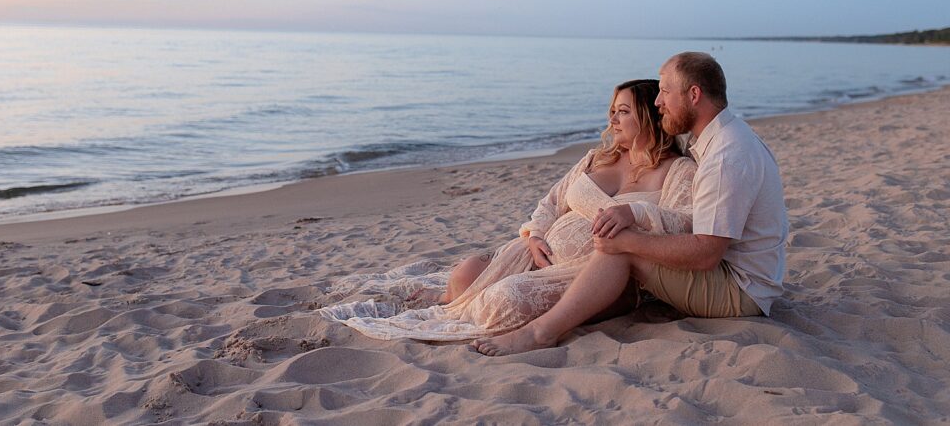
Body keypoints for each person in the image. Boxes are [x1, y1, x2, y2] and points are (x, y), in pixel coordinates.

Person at [319, 79, 697, 342]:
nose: (611, 120)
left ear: (648, 116)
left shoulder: (677, 171)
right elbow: (550, 203)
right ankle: (450, 301)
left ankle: (494, 314)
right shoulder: (598, 158)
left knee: (505, 302)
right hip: (538, 253)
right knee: (466, 271)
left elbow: (687, 222)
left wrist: (637, 214)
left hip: (590, 273)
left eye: (623, 112)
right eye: (612, 111)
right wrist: (533, 236)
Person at [473, 52, 788, 356]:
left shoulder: (724, 156)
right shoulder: (724, 139)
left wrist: (630, 238)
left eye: (665, 91)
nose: (658, 101)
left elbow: (706, 254)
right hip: (738, 276)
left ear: (693, 95)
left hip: (739, 290)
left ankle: (541, 333)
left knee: (619, 247)